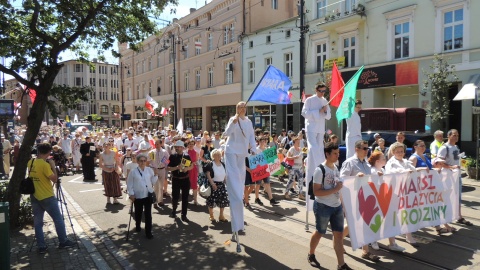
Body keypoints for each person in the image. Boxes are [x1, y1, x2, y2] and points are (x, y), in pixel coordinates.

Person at [308, 142, 352, 270]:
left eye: (338, 153)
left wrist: (339, 189)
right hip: (323, 206)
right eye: (335, 153)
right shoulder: (319, 170)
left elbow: (336, 186)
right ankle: (311, 254)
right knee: (320, 232)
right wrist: (335, 189)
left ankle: (341, 265)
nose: (337, 155)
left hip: (336, 206)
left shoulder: (335, 168)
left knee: (338, 235)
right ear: (327, 154)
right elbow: (316, 191)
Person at [30, 143, 76, 253]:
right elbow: (54, 179)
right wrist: (53, 166)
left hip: (35, 195)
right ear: (49, 152)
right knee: (58, 219)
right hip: (46, 196)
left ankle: (41, 246)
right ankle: (63, 241)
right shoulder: (45, 165)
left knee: (38, 222)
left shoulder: (30, 162)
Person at [340, 140, 380, 262]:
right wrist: (355, 178)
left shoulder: (367, 164)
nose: (367, 150)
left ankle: (365, 251)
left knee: (365, 224)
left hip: (366, 197)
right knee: (353, 224)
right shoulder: (349, 163)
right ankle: (338, 241)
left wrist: (378, 175)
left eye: (367, 148)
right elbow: (342, 180)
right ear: (356, 149)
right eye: (364, 148)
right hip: (353, 197)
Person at [223, 101, 257, 242]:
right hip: (231, 152)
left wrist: (254, 149)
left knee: (240, 180)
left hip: (242, 154)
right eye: (239, 107)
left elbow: (251, 137)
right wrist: (233, 123)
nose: (242, 109)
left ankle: (239, 223)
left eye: (244, 107)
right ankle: (237, 194)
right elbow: (226, 133)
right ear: (237, 109)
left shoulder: (248, 122)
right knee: (234, 181)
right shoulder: (233, 119)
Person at [409, 140, 456, 234]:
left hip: (429, 186)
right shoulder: (413, 158)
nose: (423, 147)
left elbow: (429, 169)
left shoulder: (425, 156)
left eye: (424, 146)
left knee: (434, 206)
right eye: (421, 146)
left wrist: (436, 170)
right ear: (415, 147)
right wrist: (420, 169)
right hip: (421, 187)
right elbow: (410, 172)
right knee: (427, 207)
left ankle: (440, 226)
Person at [368, 150, 406, 252]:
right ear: (377, 161)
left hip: (385, 199)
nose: (385, 160)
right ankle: (373, 240)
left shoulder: (383, 170)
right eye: (383, 159)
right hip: (376, 200)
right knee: (377, 221)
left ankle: (392, 243)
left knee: (390, 220)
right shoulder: (372, 171)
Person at [435, 129, 473, 226]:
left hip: (457, 176)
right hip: (448, 176)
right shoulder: (444, 148)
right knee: (447, 197)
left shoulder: (456, 147)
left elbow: (456, 160)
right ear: (449, 136)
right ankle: (445, 217)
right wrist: (451, 167)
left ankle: (458, 216)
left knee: (458, 197)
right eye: (454, 135)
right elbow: (439, 162)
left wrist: (462, 162)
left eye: (457, 135)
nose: (456, 137)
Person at [301, 82, 331, 199]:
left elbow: (328, 116)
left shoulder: (325, 101)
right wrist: (317, 112)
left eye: (324, 91)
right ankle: (317, 167)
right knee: (313, 148)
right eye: (321, 91)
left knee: (320, 148)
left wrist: (324, 111)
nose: (322, 93)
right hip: (311, 128)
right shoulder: (309, 100)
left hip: (320, 128)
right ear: (316, 90)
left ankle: (320, 167)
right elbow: (304, 113)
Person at [126, 154, 157, 239]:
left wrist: (156, 175)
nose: (143, 162)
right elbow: (129, 184)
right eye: (141, 161)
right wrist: (131, 194)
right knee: (138, 213)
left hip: (148, 195)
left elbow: (152, 182)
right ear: (138, 161)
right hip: (138, 196)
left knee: (148, 215)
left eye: (144, 160)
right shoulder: (133, 171)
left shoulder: (149, 170)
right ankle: (138, 225)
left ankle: (148, 232)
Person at [167, 140, 193, 222]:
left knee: (185, 198)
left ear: (182, 148)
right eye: (176, 147)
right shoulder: (172, 156)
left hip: (185, 179)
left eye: (178, 147)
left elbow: (191, 166)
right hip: (176, 179)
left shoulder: (187, 156)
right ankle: (174, 211)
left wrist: (187, 168)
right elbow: (167, 167)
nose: (177, 148)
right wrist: (176, 167)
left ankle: (184, 215)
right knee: (175, 196)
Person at [205, 149, 229, 222]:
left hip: (221, 185)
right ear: (213, 156)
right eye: (216, 155)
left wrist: (226, 182)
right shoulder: (210, 164)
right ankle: (211, 215)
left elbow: (225, 175)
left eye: (219, 155)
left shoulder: (223, 164)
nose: (218, 156)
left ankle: (221, 216)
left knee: (223, 201)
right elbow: (208, 175)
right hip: (214, 185)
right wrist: (212, 184)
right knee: (211, 201)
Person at [255, 137, 279, 205]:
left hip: (266, 169)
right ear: (259, 142)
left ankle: (271, 199)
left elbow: (271, 158)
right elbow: (254, 160)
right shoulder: (256, 150)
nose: (263, 143)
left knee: (267, 183)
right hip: (259, 169)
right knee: (258, 184)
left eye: (264, 141)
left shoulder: (266, 149)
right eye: (261, 141)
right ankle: (257, 198)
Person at [147, 139, 169, 207]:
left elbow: (167, 160)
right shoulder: (151, 152)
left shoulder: (165, 152)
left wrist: (164, 165)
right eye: (155, 144)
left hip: (162, 170)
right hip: (154, 170)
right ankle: (155, 201)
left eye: (157, 144)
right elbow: (148, 162)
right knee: (156, 186)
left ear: (161, 144)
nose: (156, 145)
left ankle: (160, 200)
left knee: (161, 186)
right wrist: (152, 169)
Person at [186, 140, 199, 205]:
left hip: (193, 170)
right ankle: (185, 199)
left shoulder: (196, 152)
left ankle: (195, 200)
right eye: (190, 144)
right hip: (187, 170)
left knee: (194, 185)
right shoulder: (185, 152)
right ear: (188, 144)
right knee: (186, 185)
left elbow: (196, 162)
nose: (191, 145)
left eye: (192, 144)